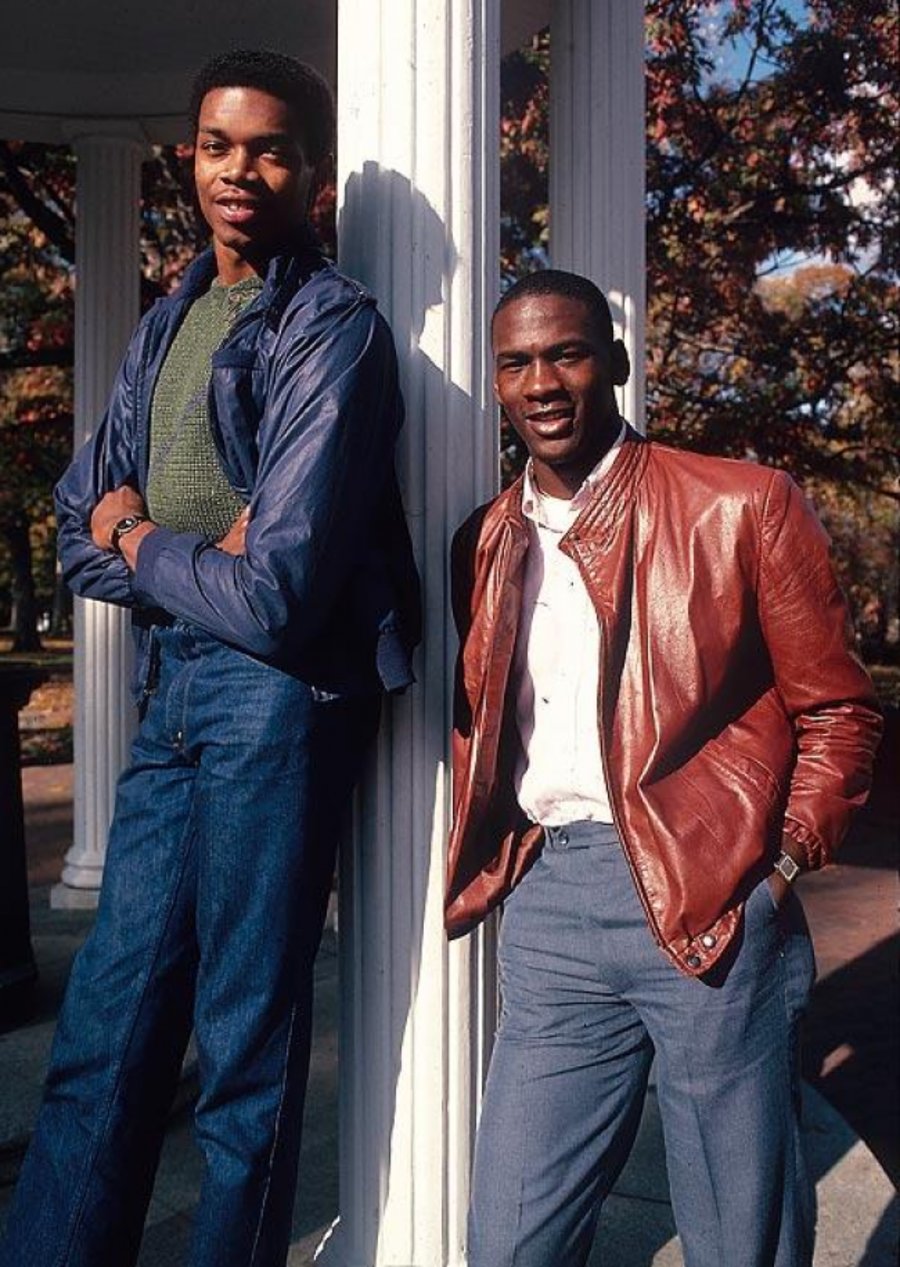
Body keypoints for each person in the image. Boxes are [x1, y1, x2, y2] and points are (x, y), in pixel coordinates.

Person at [0, 49, 419, 1267]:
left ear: (314, 174)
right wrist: (180, 553)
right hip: (176, 684)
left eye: (271, 148)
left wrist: (139, 535)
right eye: (219, 145)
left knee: (242, 1046)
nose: (241, 169)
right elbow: (77, 533)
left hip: (277, 704)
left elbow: (277, 594)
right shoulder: (167, 322)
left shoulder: (333, 328)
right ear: (190, 157)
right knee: (106, 1022)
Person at [446, 269, 881, 1267]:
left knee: (739, 1239)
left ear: (615, 362)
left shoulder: (742, 505)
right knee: (510, 1238)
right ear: (497, 382)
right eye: (516, 363)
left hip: (715, 896)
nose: (542, 382)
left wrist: (779, 866)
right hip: (553, 902)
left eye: (567, 354)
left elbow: (839, 707)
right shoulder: (484, 540)